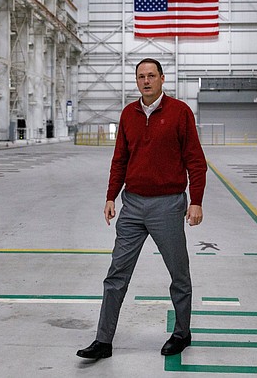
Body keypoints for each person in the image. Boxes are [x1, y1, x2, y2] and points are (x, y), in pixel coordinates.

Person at [77, 58, 207, 360]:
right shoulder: (128, 114)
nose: (146, 81)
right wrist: (111, 196)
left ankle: (182, 333)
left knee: (178, 274)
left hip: (168, 204)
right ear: (136, 81)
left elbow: (195, 161)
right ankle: (103, 341)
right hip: (132, 205)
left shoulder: (179, 113)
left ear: (162, 79)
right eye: (140, 77)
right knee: (116, 274)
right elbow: (120, 159)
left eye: (151, 75)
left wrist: (196, 201)